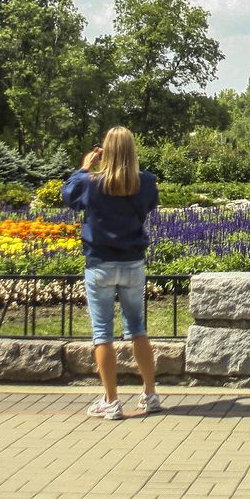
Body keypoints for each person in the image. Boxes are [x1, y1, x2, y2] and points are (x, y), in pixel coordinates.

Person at [61, 127, 161, 420]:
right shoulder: (145, 182)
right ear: (132, 150)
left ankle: (111, 400)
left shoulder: (91, 183)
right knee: (137, 328)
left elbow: (68, 196)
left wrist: (84, 167)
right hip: (132, 262)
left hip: (100, 263)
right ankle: (150, 393)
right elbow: (149, 205)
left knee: (102, 333)